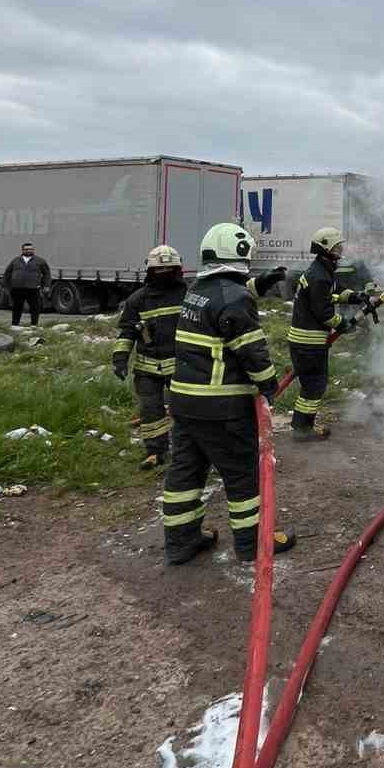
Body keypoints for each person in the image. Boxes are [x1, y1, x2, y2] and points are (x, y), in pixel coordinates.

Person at [163, 222, 297, 565]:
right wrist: (268, 385)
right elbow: (252, 350)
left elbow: (226, 296)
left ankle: (181, 542)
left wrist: (261, 283)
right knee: (242, 475)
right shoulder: (235, 298)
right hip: (221, 406)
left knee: (186, 473)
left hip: (184, 402)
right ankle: (253, 543)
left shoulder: (197, 289)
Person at [287, 228, 384, 441]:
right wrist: (344, 324)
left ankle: (301, 425)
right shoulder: (319, 276)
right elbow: (323, 313)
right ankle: (303, 430)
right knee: (314, 386)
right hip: (308, 342)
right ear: (326, 248)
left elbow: (336, 292)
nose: (341, 250)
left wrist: (358, 296)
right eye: (337, 247)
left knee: (311, 385)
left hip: (307, 341)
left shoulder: (322, 271)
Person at [112, 246, 185, 470]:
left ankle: (188, 451)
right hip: (147, 369)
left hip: (181, 365)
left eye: (168, 270)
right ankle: (156, 451)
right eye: (159, 270)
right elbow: (127, 332)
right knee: (151, 411)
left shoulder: (189, 294)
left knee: (186, 409)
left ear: (177, 270)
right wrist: (120, 359)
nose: (164, 274)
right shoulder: (138, 300)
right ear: (151, 271)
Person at [3, 241, 51, 326]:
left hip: (33, 288)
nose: (29, 251)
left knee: (35, 308)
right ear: (22, 250)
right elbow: (7, 273)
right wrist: (6, 286)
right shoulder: (16, 260)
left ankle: (34, 325)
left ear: (33, 250)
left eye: (31, 249)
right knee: (17, 307)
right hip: (18, 288)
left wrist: (46, 285)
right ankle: (15, 324)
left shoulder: (40, 261)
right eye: (26, 249)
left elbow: (46, 273)